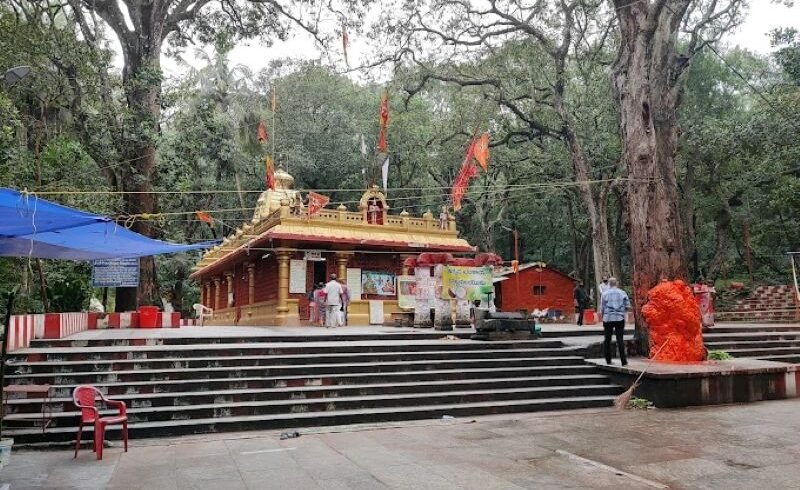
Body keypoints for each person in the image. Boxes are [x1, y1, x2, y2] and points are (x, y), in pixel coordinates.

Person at [599, 277, 630, 365]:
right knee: (620, 339)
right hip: (619, 318)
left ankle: (608, 359)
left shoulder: (605, 294)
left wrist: (603, 316)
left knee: (607, 339)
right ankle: (623, 360)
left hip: (608, 318)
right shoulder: (622, 293)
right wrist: (622, 311)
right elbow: (627, 306)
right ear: (616, 283)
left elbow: (602, 307)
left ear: (609, 284)